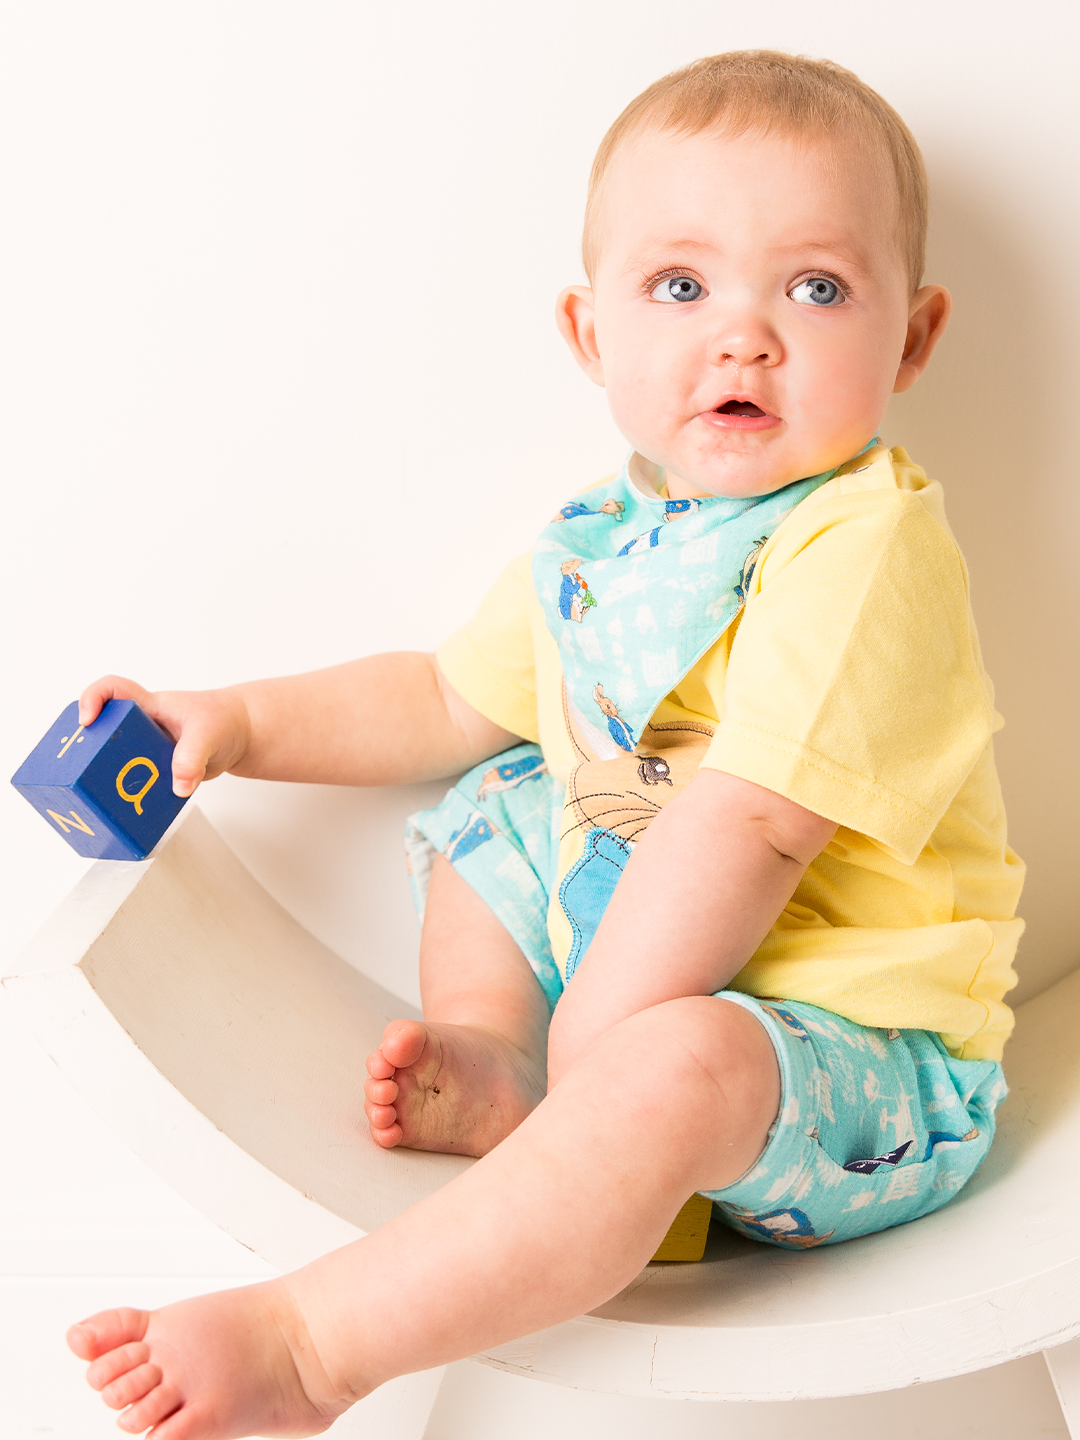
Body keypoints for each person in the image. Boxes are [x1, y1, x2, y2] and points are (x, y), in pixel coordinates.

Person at [66, 50, 1023, 1440]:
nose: (744, 338)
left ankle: (319, 1344)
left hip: (854, 1066)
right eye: (681, 287)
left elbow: (754, 820)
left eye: (815, 289)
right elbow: (443, 699)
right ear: (590, 334)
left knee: (671, 1058)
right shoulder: (603, 542)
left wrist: (603, 1046)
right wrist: (240, 723)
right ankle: (493, 1049)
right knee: (503, 786)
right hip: (626, 999)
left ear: (912, 340)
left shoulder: (864, 544)